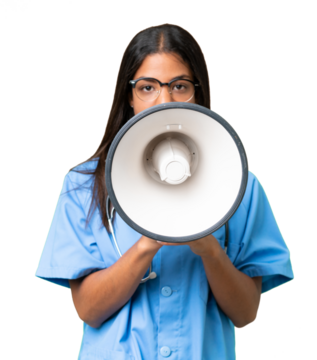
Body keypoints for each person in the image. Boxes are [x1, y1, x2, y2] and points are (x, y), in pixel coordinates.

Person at [34, 21, 295, 360]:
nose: (164, 100)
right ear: (128, 96)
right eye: (147, 87)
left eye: (180, 86)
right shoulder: (83, 186)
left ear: (199, 92)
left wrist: (210, 250)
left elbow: (246, 314)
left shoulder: (242, 189)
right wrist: (147, 243)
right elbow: (87, 309)